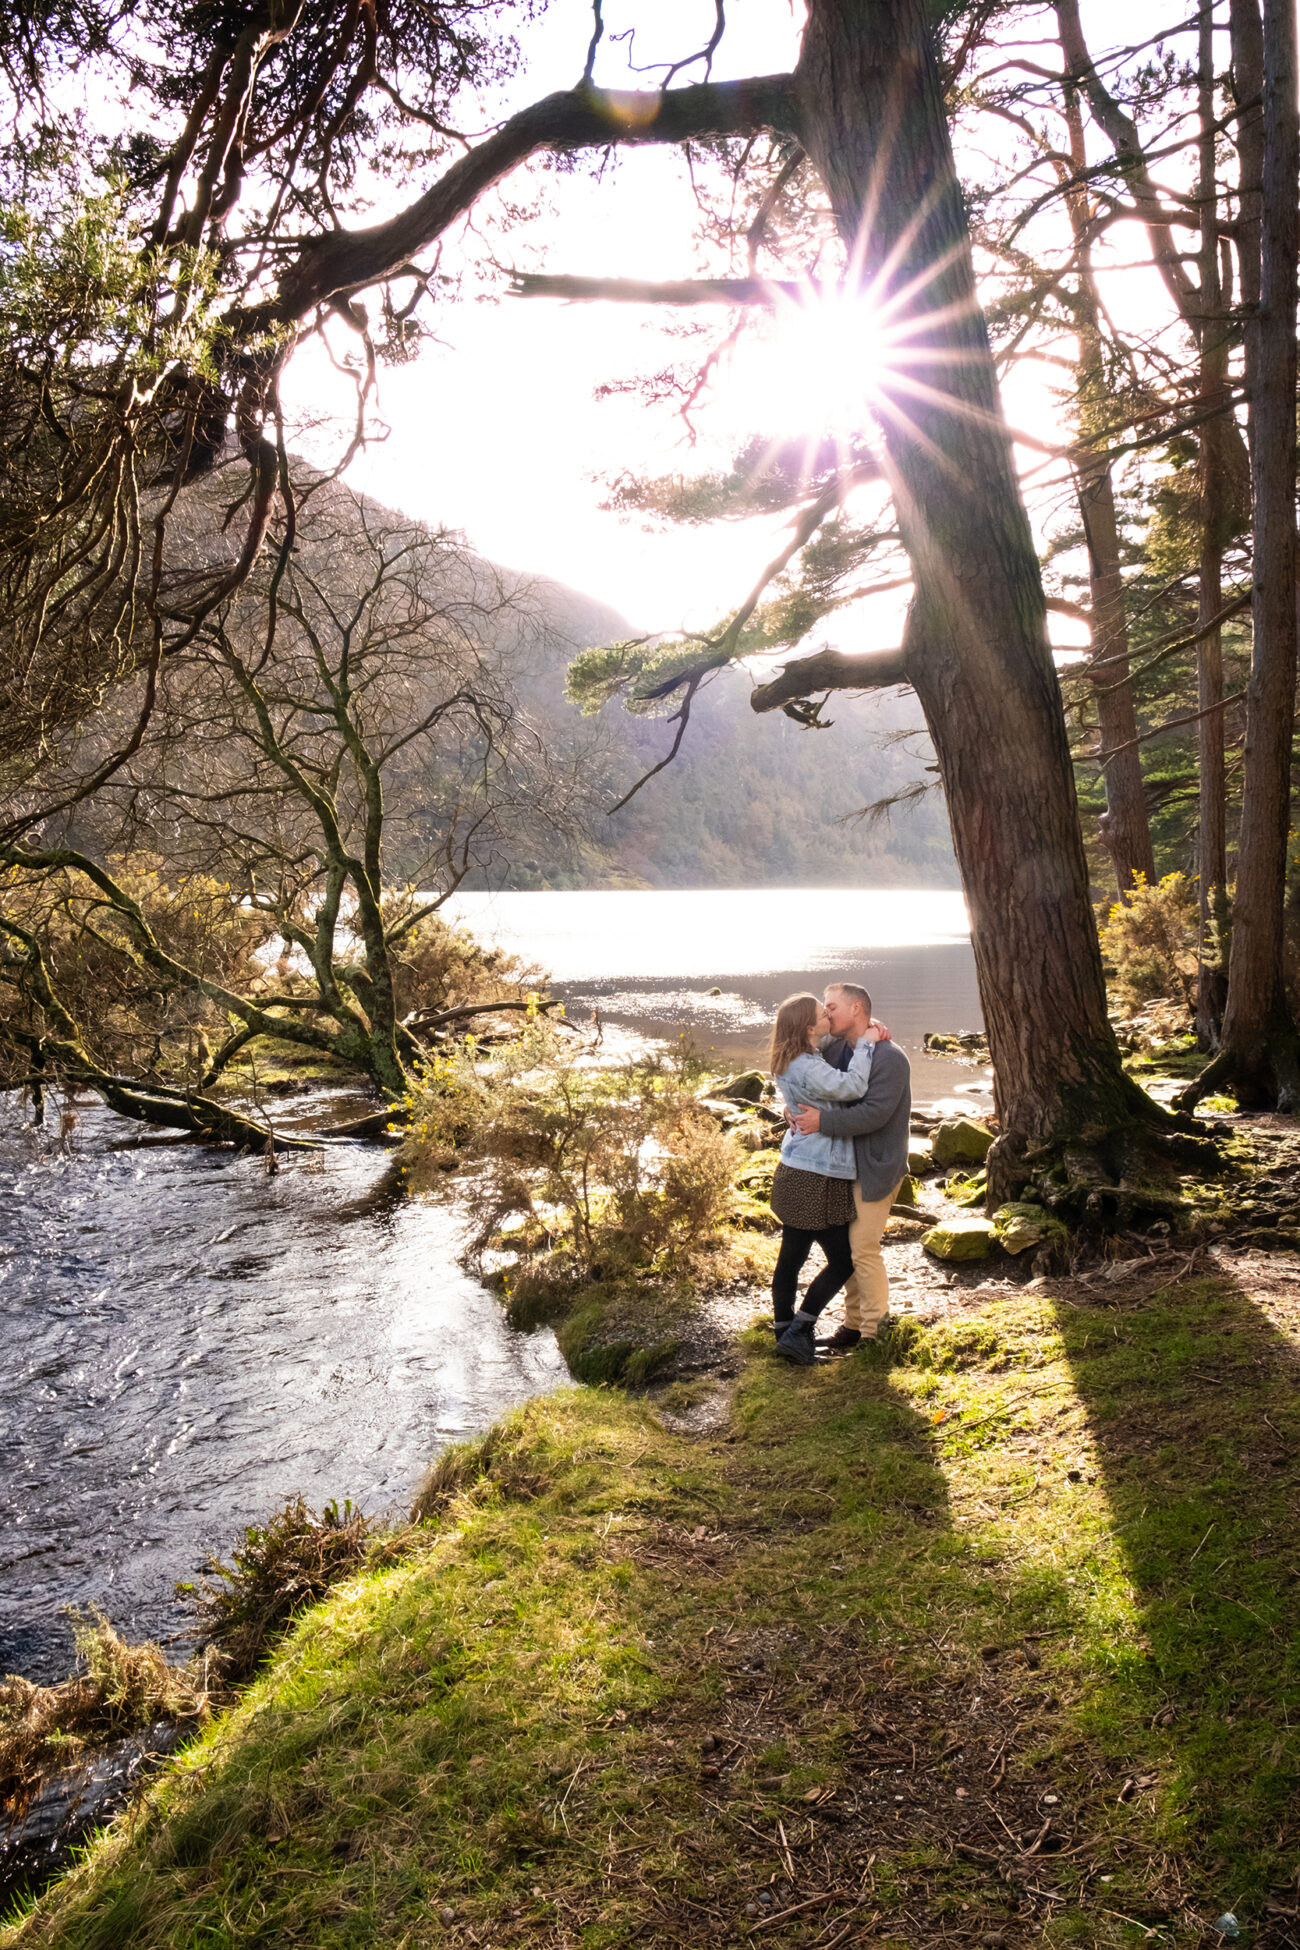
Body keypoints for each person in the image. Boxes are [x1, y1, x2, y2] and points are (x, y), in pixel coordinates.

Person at [788, 981, 911, 1350]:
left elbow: (873, 1114)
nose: (826, 1014)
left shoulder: (891, 1058)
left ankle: (876, 1334)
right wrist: (791, 1104)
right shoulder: (836, 1046)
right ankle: (853, 1326)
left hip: (877, 1167)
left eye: (832, 1007)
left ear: (857, 1008)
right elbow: (799, 1064)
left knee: (862, 1248)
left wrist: (821, 1122)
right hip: (842, 1167)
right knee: (846, 1249)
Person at [767, 993, 881, 1367]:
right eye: (822, 1014)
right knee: (843, 1260)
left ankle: (785, 1332)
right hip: (817, 1172)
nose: (828, 1017)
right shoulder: (806, 1065)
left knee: (792, 1256)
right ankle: (801, 1328)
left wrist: (857, 1029)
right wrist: (866, 1044)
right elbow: (853, 1088)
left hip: (797, 1165)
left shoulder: (796, 1058)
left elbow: (828, 1046)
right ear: (808, 1026)